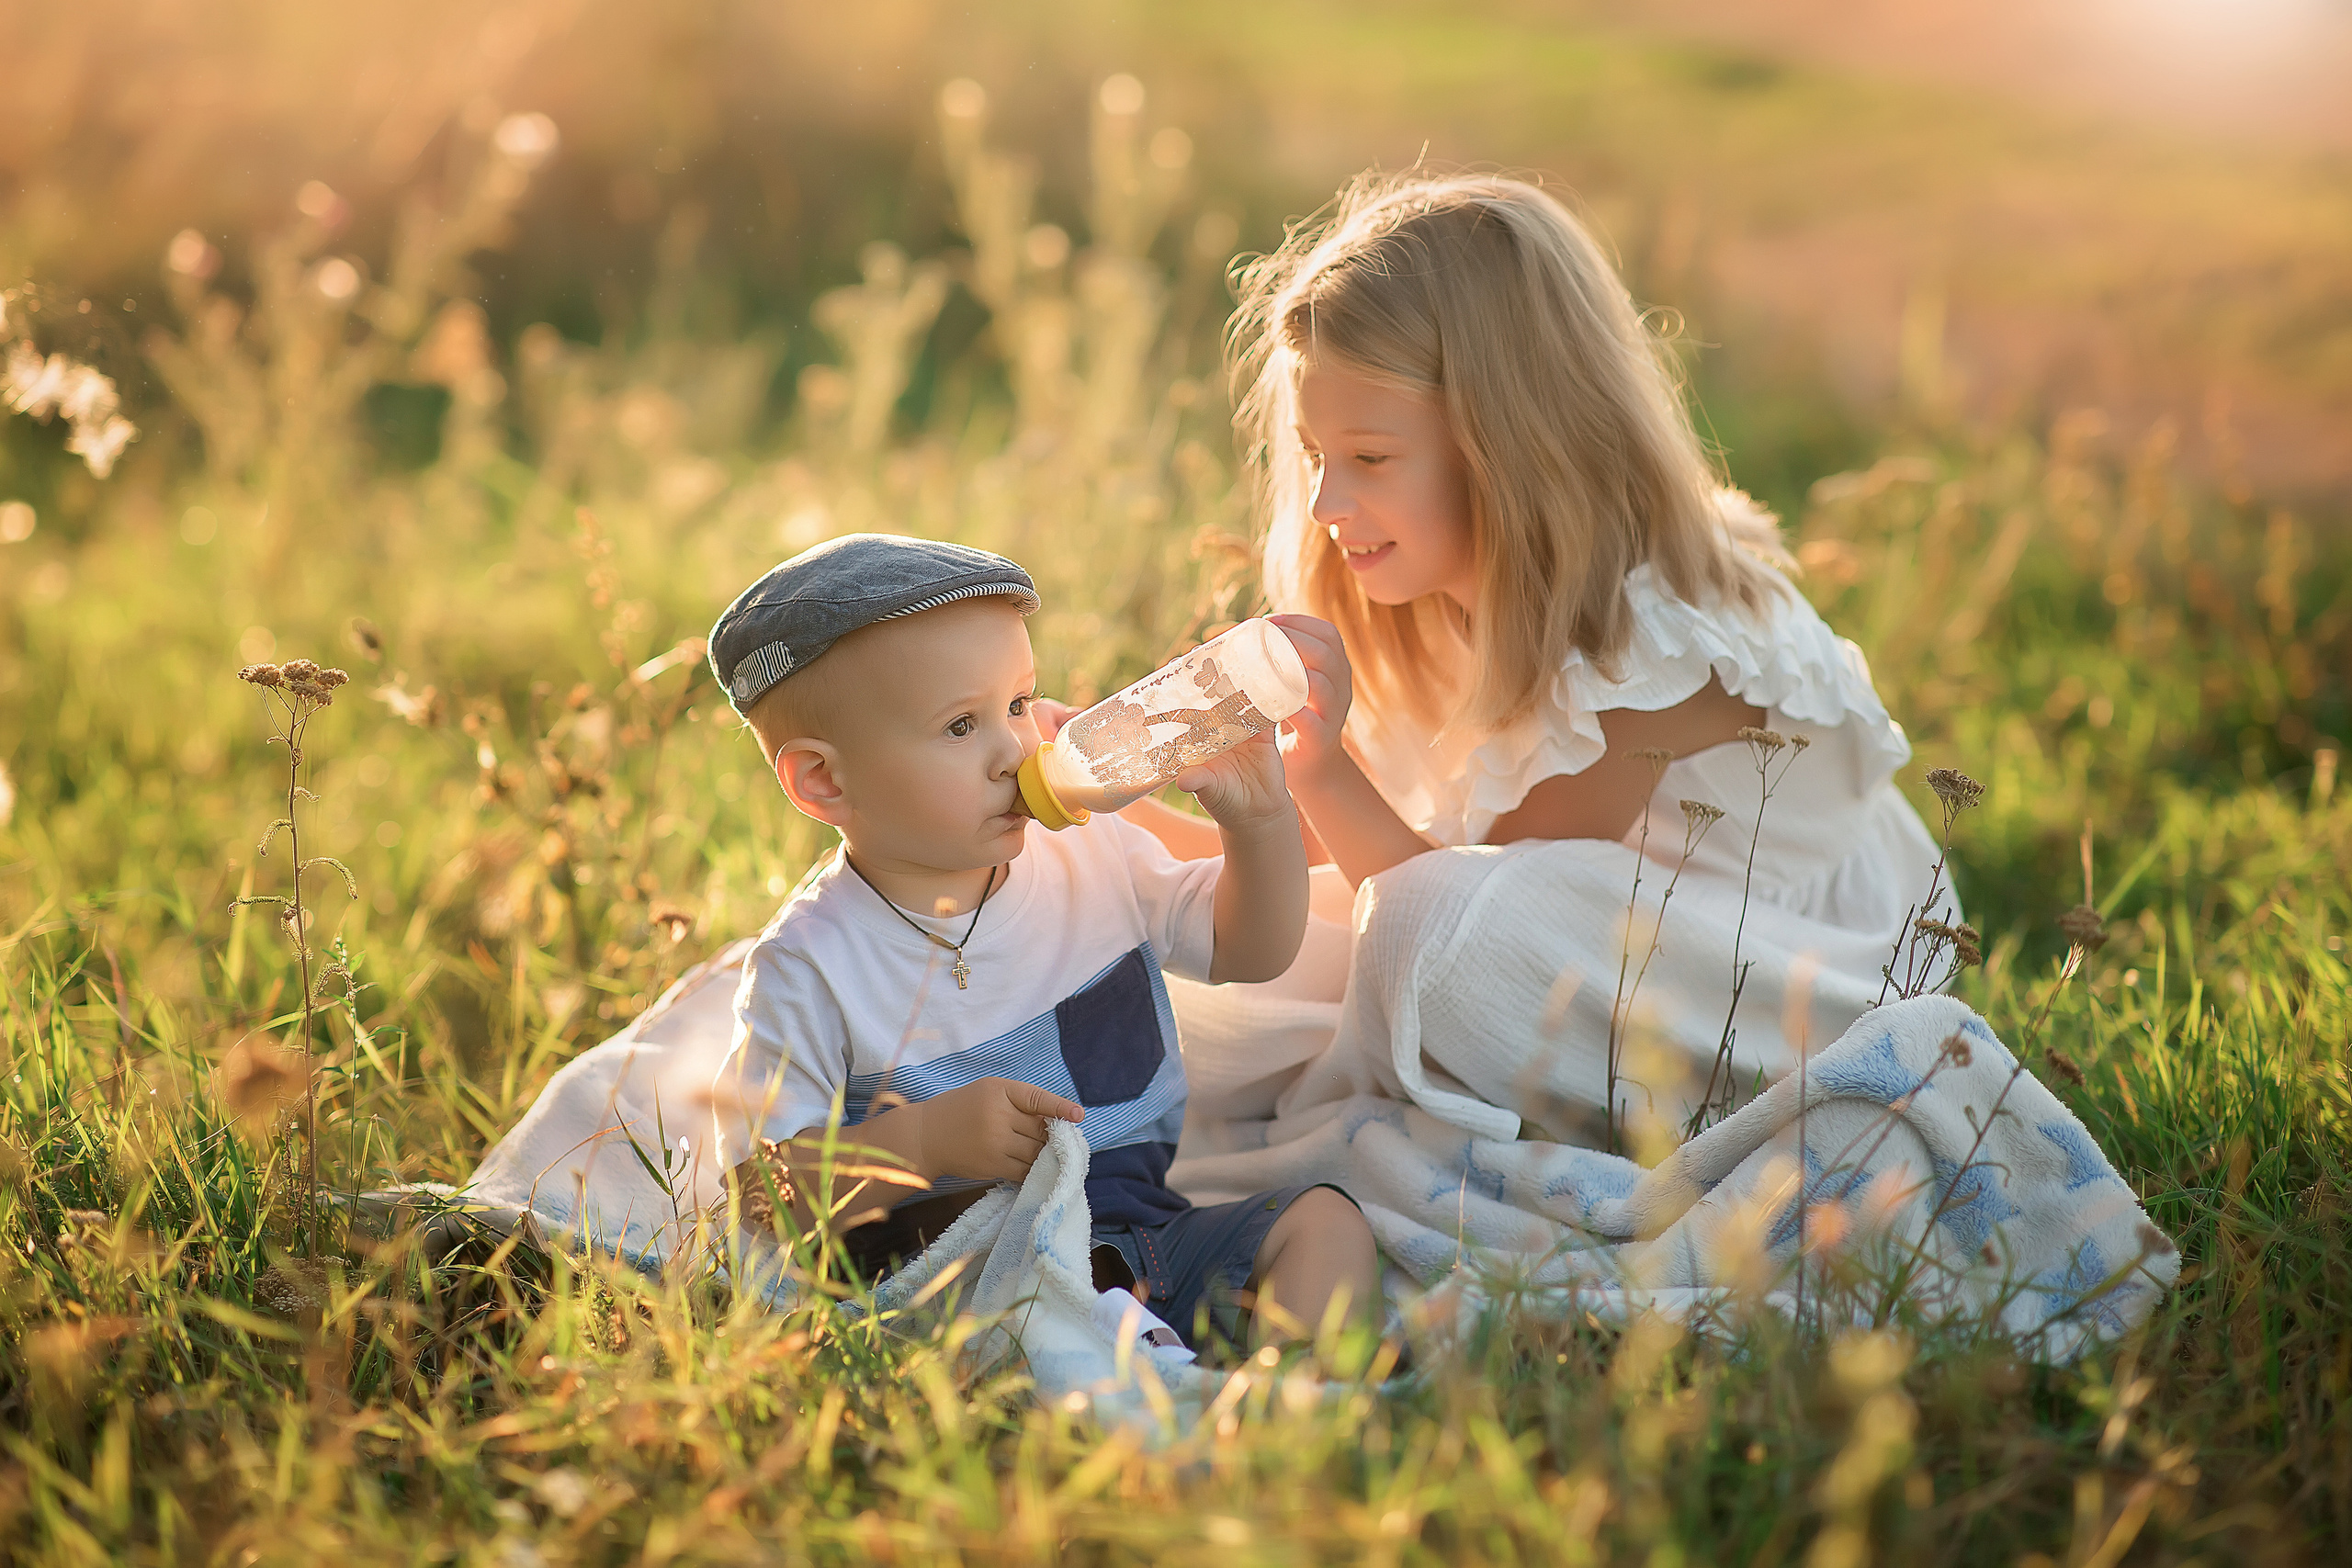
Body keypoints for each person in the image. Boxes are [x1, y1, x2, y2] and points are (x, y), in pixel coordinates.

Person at [1086, 172, 1951, 1150]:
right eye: (1313, 454)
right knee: (1179, 967)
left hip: (1766, 975)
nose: (1327, 505)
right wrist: (1107, 828)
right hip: (1552, 929)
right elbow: (1369, 851)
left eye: (1369, 459)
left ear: (1513, 446)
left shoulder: (1657, 659)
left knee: (1349, 963)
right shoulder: (1444, 592)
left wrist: (1314, 769)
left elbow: (1458, 924)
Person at [705, 534, 1378, 1353]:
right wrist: (926, 1141)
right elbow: (760, 1195)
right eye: (960, 725)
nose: (1015, 750)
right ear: (825, 781)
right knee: (1073, 1333)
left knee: (1324, 1220)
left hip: (1139, 1229)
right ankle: (1159, 1388)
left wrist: (1258, 822)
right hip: (976, 1273)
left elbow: (1249, 948)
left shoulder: (1088, 850)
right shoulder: (811, 966)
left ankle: (1300, 1402)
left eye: (1020, 704)